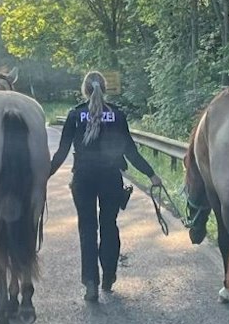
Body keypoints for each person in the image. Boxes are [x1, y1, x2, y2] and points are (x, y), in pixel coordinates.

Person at [48, 71, 161, 302]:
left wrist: (45, 175)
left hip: (83, 179)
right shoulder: (117, 115)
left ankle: (91, 283)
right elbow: (131, 152)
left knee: (87, 229)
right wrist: (151, 175)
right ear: (104, 88)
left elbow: (61, 152)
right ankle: (109, 276)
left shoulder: (75, 114)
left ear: (85, 90)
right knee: (109, 225)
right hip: (111, 178)